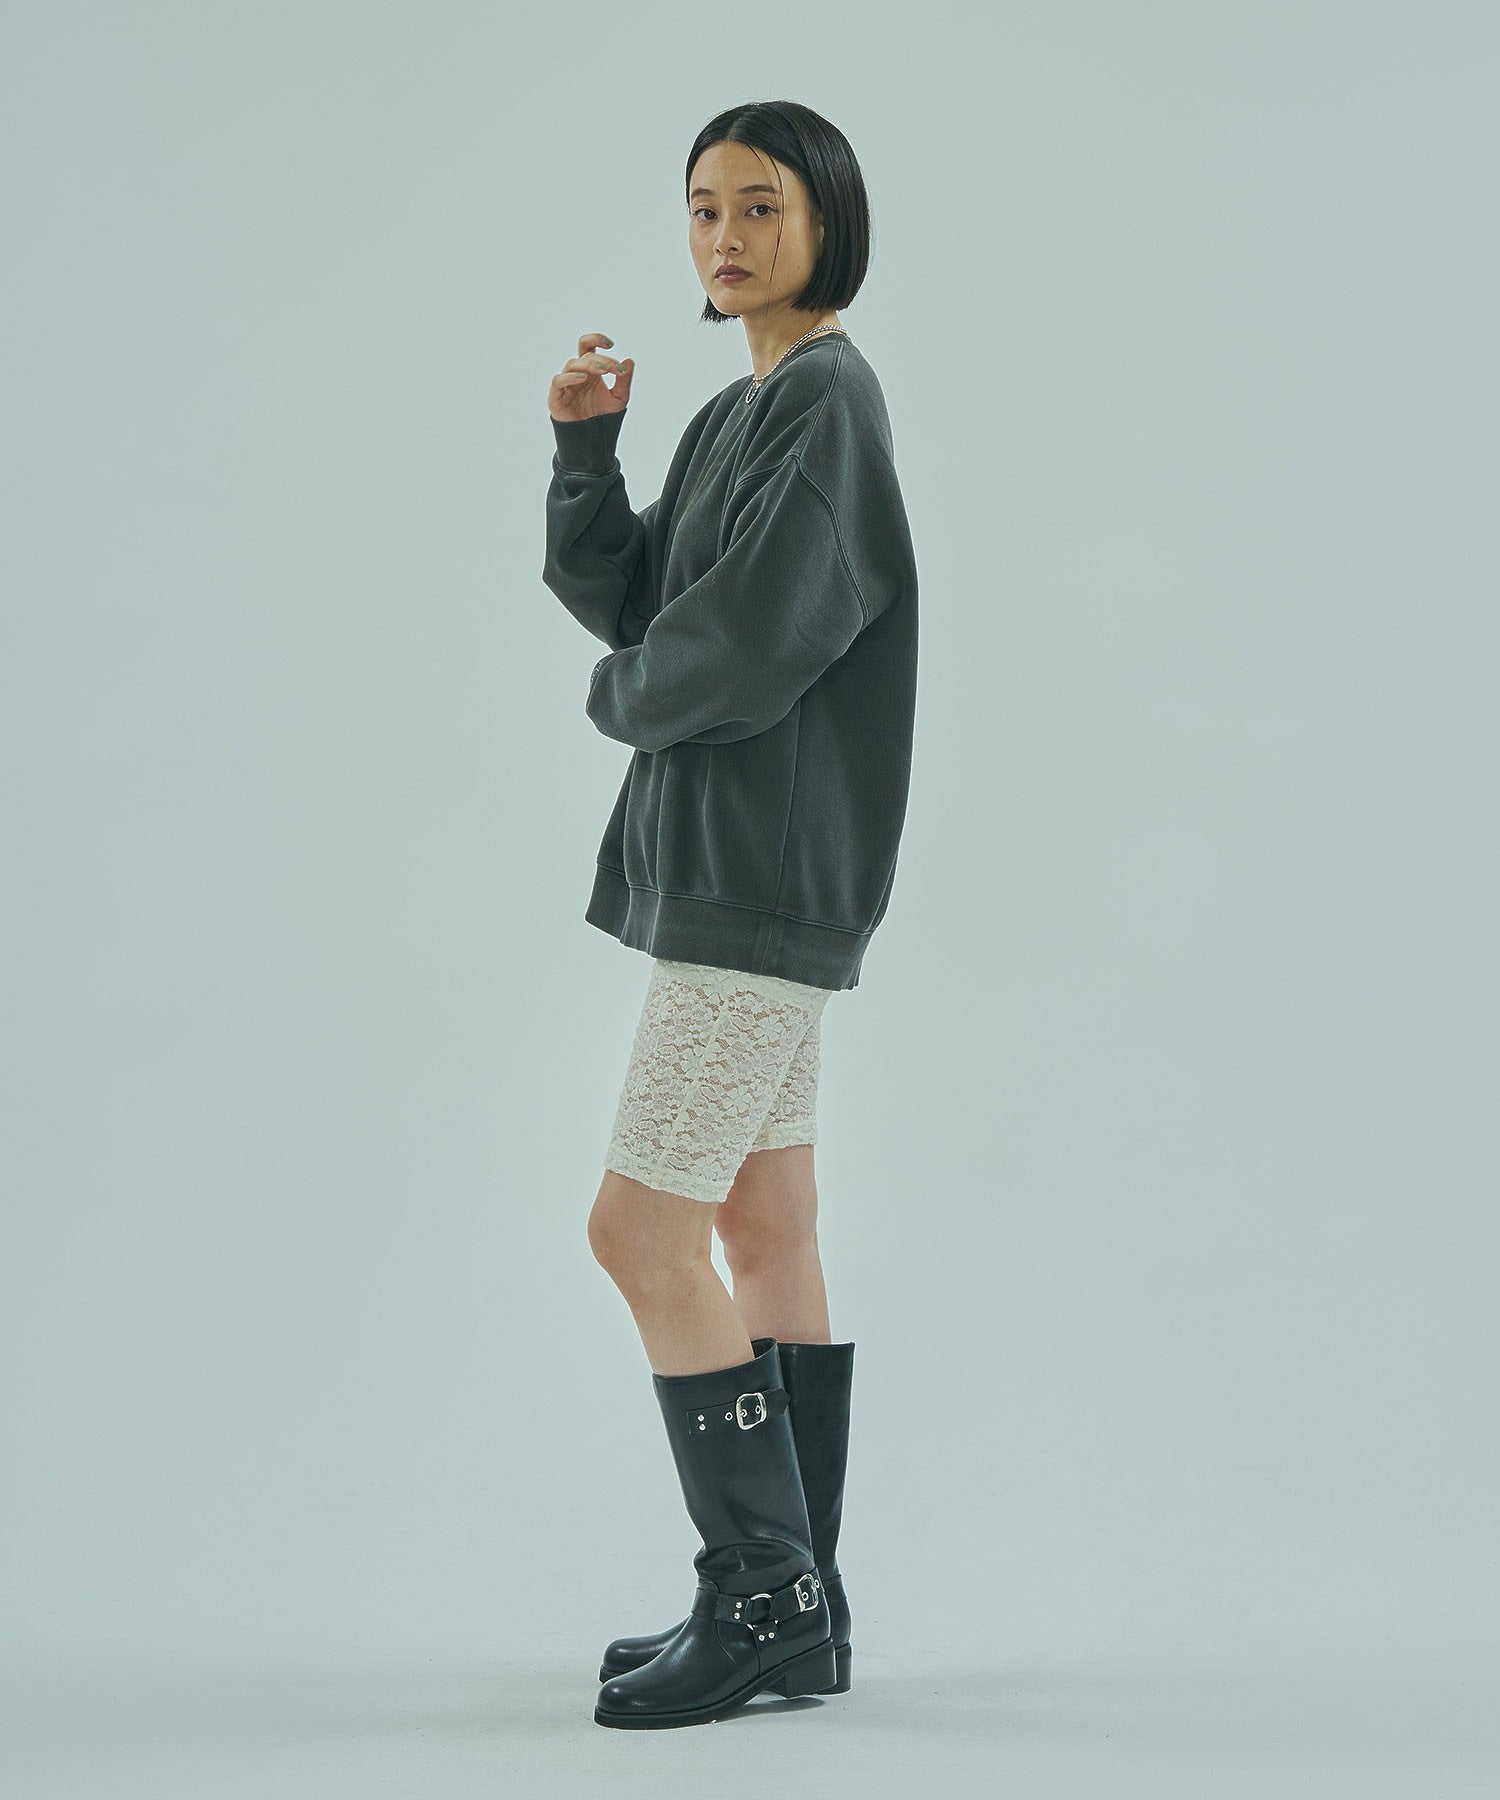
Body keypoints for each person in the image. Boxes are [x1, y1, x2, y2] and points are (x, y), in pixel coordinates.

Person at [541, 100, 918, 1730]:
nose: (726, 236)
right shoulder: (742, 409)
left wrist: (619, 700)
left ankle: (759, 1597)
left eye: (762, 205)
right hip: (750, 872)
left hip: (757, 880)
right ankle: (802, 1608)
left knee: (639, 1233)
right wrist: (587, 453)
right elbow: (638, 597)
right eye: (704, 207)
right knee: (764, 1230)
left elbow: (748, 641)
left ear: (829, 218)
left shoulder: (828, 400)